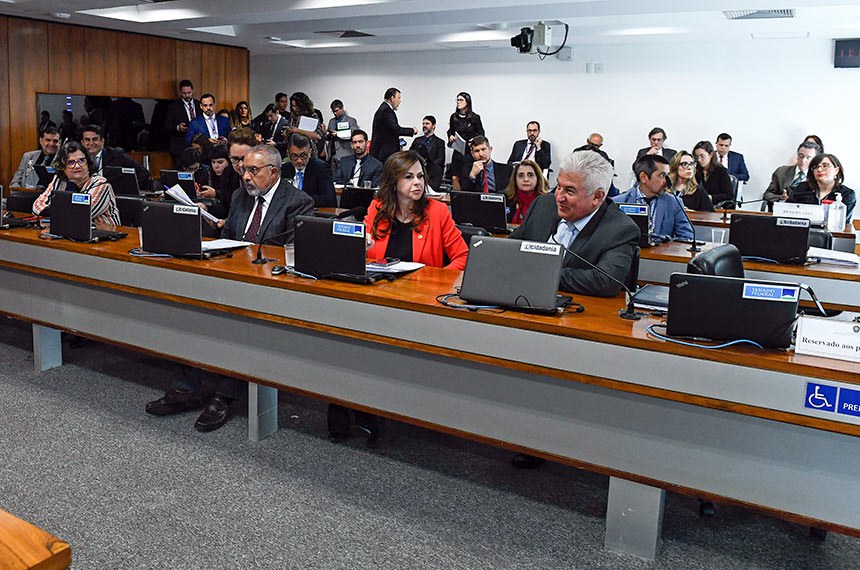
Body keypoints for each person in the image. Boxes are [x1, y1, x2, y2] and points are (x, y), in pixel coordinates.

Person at [147, 145, 314, 431]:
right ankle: (186, 388)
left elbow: (293, 254)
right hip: (229, 278)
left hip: (268, 289)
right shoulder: (240, 196)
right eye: (244, 169)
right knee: (187, 309)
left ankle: (224, 395)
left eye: (253, 170)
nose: (246, 176)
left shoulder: (298, 202)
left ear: (274, 173)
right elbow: (227, 238)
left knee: (240, 323)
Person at [328, 150, 468, 445]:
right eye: (409, 177)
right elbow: (364, 252)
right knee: (344, 338)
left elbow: (463, 257)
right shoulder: (378, 207)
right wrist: (361, 244)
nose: (417, 183)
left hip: (418, 303)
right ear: (393, 182)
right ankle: (349, 407)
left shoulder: (437, 212)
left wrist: (430, 281)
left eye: (420, 176)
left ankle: (369, 412)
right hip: (377, 297)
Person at [510, 148, 639, 297]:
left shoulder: (620, 229)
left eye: (570, 191)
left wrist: (541, 272)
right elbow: (511, 247)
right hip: (521, 295)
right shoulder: (542, 205)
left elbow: (605, 282)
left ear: (597, 196)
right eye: (559, 186)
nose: (559, 197)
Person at [32, 141, 120, 226]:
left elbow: (79, 215)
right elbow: (37, 207)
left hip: (105, 234)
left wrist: (55, 211)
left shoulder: (101, 184)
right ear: (63, 167)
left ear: (88, 162)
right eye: (71, 162)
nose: (77, 166)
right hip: (69, 231)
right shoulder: (59, 180)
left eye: (81, 160)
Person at [615, 155, 693, 241]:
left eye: (667, 176)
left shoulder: (674, 203)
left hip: (662, 249)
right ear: (643, 177)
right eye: (662, 175)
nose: (666, 181)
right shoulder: (618, 202)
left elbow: (687, 237)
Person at [788, 154, 855, 222]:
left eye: (825, 166)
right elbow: (788, 211)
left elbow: (844, 222)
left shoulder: (847, 194)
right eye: (815, 167)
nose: (819, 169)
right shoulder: (802, 188)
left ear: (836, 170)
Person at [81, 125, 151, 190]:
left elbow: (144, 173)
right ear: (82, 143)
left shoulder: (116, 155)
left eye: (95, 139)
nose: (91, 143)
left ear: (102, 141)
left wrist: (128, 189)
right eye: (87, 140)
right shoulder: (78, 158)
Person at [281, 134, 336, 207]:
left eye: (303, 155)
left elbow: (328, 199)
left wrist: (298, 200)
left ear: (310, 152)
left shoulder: (321, 168)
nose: (299, 160)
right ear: (288, 154)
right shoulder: (284, 169)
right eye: (294, 156)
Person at [763, 141, 821, 210]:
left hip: (806, 211)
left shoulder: (818, 176)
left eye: (808, 158)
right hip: (781, 210)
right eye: (801, 156)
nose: (803, 161)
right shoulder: (781, 172)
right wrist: (781, 197)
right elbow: (767, 195)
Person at [446, 92, 484, 190]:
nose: (458, 102)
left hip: (469, 152)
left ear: (467, 102)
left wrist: (474, 140)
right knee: (454, 177)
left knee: (467, 177)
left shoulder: (474, 117)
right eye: (457, 100)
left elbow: (481, 133)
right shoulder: (454, 117)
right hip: (458, 151)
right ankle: (458, 197)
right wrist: (450, 136)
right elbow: (451, 131)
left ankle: (467, 197)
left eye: (461, 100)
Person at [370, 87, 417, 164]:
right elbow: (395, 129)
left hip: (381, 153)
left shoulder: (383, 108)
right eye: (398, 98)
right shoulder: (386, 110)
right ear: (392, 98)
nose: (400, 101)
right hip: (384, 155)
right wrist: (412, 131)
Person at [164, 79, 201, 163]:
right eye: (184, 93)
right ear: (180, 92)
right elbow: (167, 126)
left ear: (192, 91)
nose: (187, 95)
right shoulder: (174, 106)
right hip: (180, 146)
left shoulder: (199, 105)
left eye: (189, 92)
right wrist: (178, 127)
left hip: (198, 145)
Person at [503, 159, 549, 224]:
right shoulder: (505, 199)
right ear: (515, 179)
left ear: (538, 178)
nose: (526, 179)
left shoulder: (547, 202)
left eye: (530, 175)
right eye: (521, 176)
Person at [693, 141, 734, 207]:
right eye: (696, 157)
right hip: (699, 206)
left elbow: (729, 195)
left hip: (716, 207)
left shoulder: (721, 171)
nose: (699, 160)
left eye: (702, 156)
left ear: (711, 155)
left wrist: (711, 197)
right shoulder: (696, 171)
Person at [286, 92, 325, 157]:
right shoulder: (293, 116)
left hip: (309, 151)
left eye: (297, 106)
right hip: (294, 149)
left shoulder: (312, 116)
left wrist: (298, 130)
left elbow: (318, 136)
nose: (295, 109)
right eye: (293, 106)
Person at [409, 115, 446, 184]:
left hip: (431, 174)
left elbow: (440, 159)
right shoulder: (417, 140)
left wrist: (427, 166)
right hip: (415, 171)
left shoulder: (439, 142)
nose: (424, 125)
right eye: (423, 124)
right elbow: (410, 155)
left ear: (433, 126)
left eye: (427, 123)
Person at [325, 99, 359, 170]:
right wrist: (327, 134)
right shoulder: (331, 121)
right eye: (333, 111)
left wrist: (338, 134)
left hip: (346, 152)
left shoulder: (350, 120)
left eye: (336, 111)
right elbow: (328, 138)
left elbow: (354, 133)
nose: (335, 113)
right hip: (332, 153)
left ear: (342, 108)